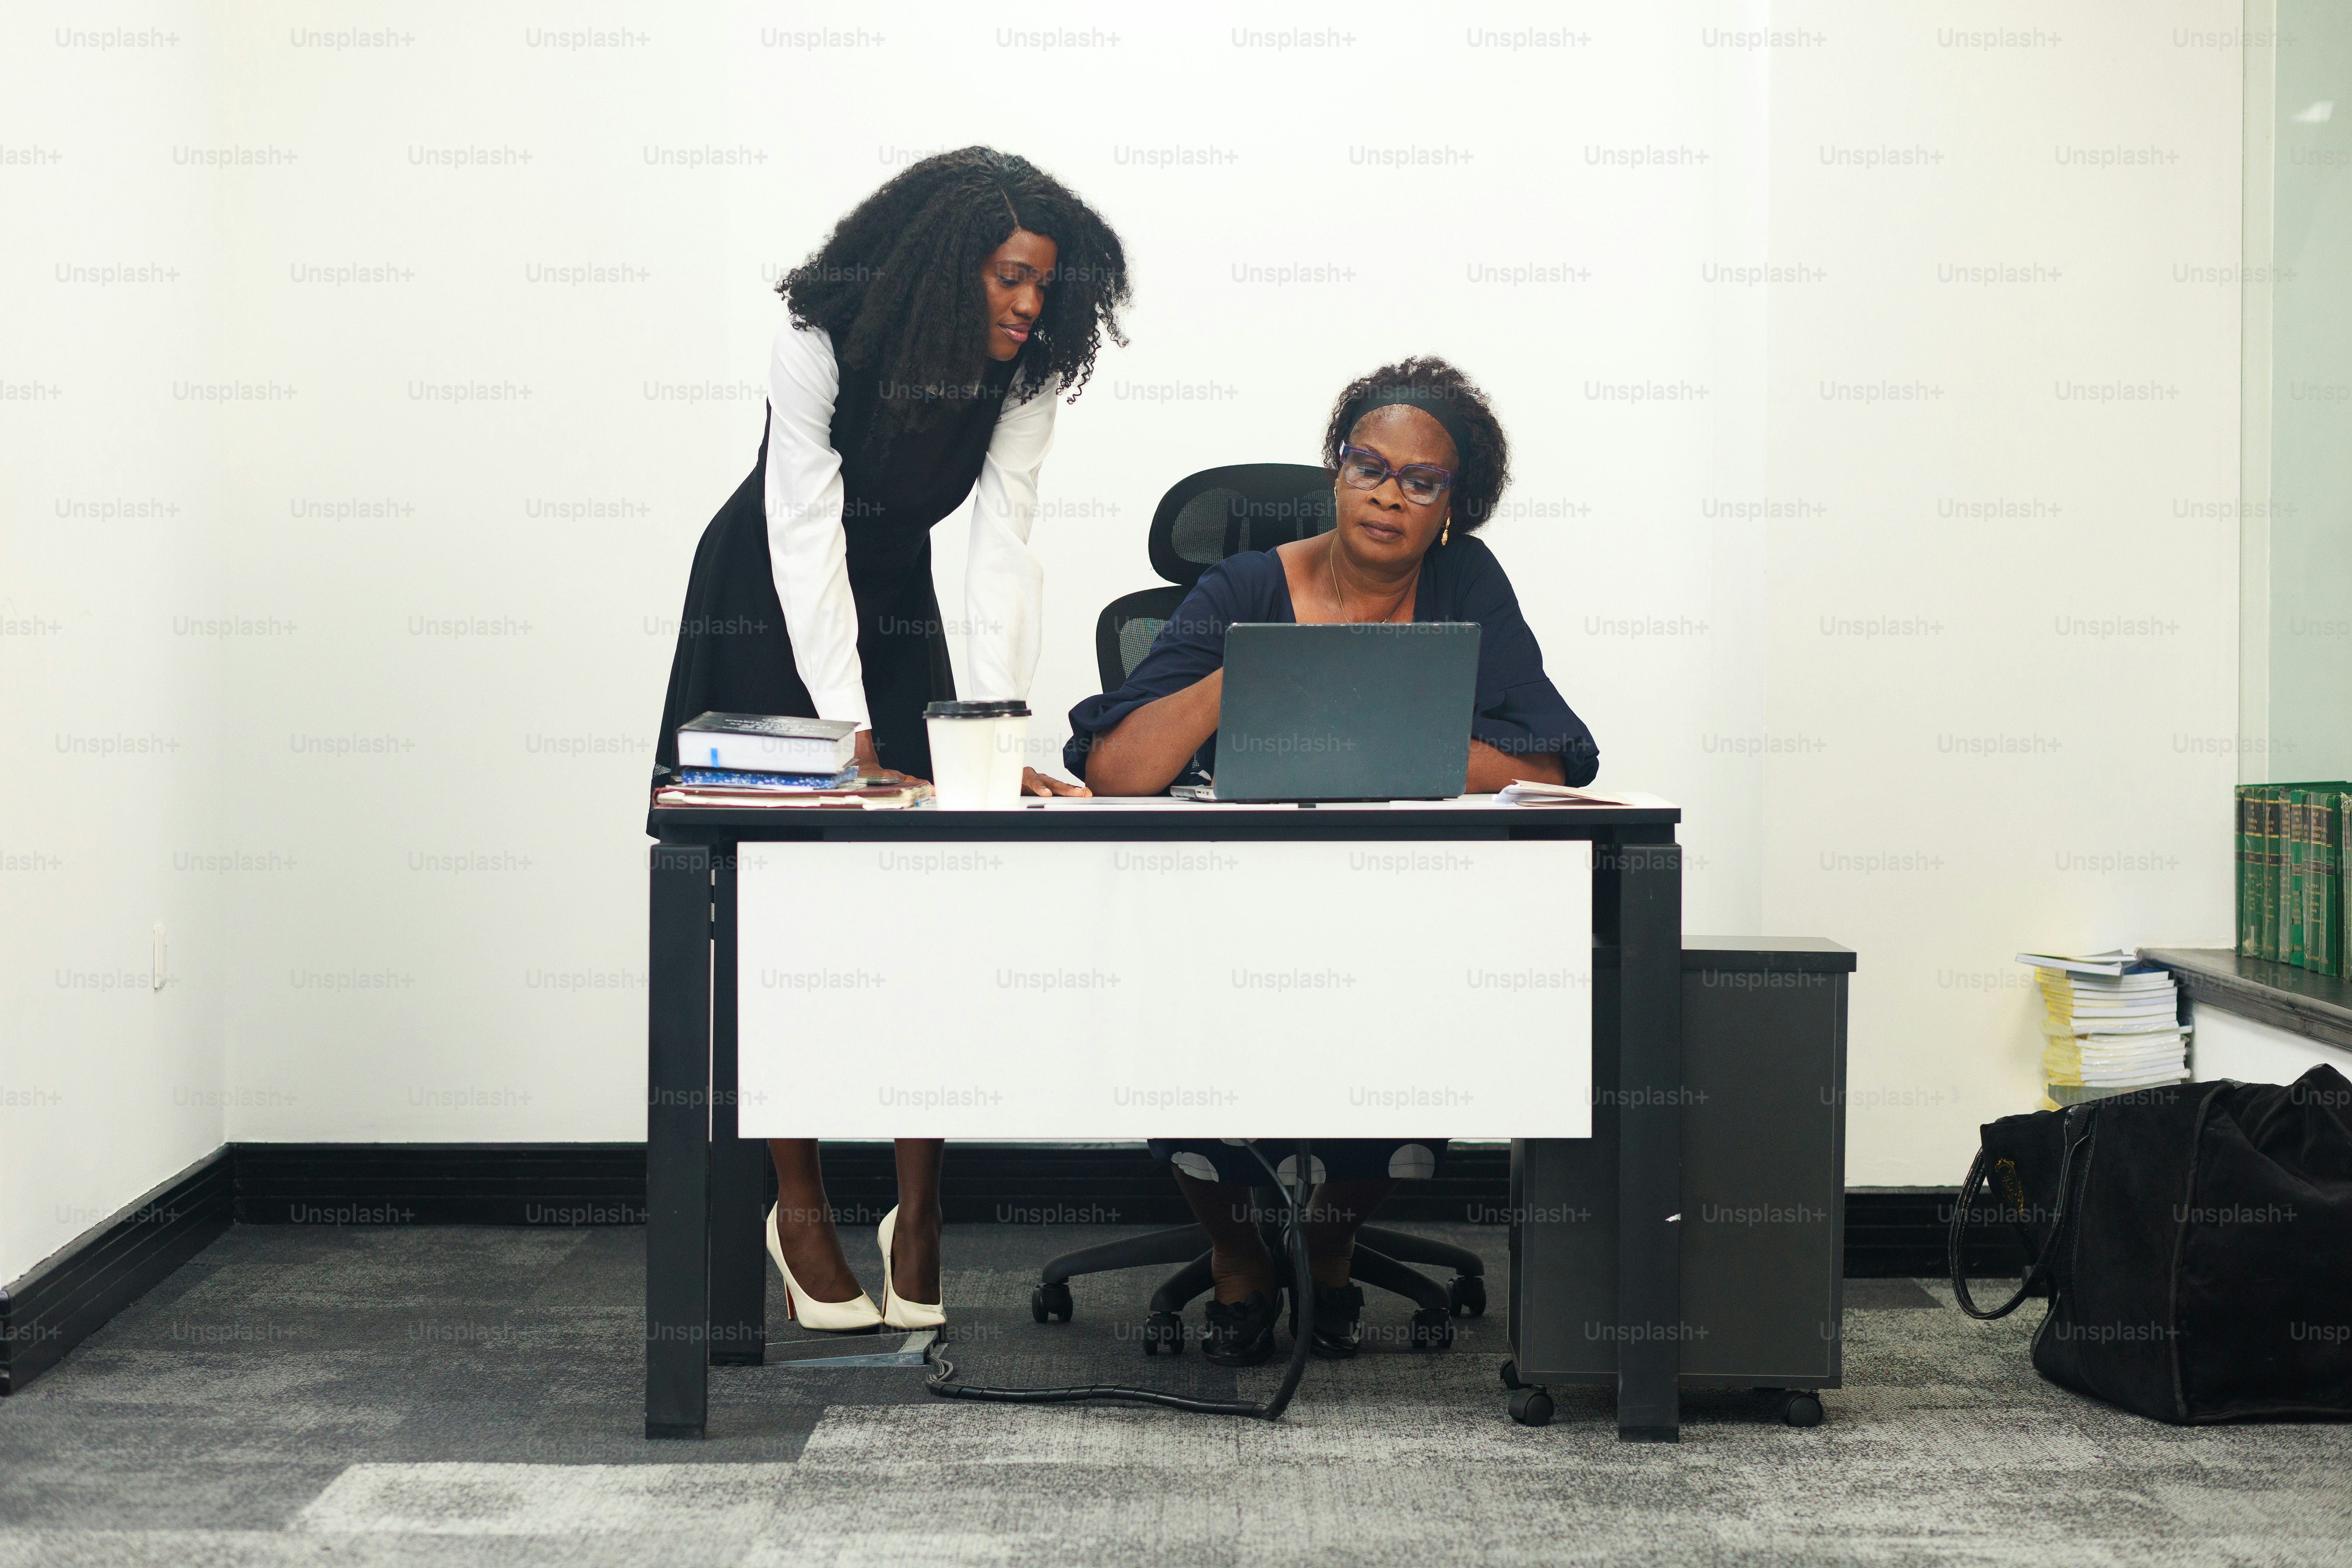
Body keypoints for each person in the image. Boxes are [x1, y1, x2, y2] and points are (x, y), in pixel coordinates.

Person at [654, 148, 1128, 1332]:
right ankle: (798, 1202)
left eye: (1045, 286)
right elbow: (803, 527)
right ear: (943, 266)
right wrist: (842, 727)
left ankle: (918, 1209)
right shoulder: (820, 335)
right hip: (765, 597)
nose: (1030, 306)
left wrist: (991, 725)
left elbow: (1002, 546)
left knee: (928, 905)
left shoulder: (1021, 375)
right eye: (1012, 279)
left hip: (900, 603)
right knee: (781, 912)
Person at [1064, 356, 1598, 1362]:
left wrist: (1378, 727)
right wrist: (1253, 672)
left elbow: (1552, 757)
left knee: (1447, 1005)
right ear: (1335, 470)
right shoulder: (1241, 586)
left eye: (1421, 480)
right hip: (1230, 904)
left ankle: (1330, 1233)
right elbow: (1117, 771)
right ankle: (1234, 1252)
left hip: (1403, 901)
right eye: (1367, 465)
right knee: (1171, 1003)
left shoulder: (1463, 585)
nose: (1388, 494)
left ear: (1453, 506)